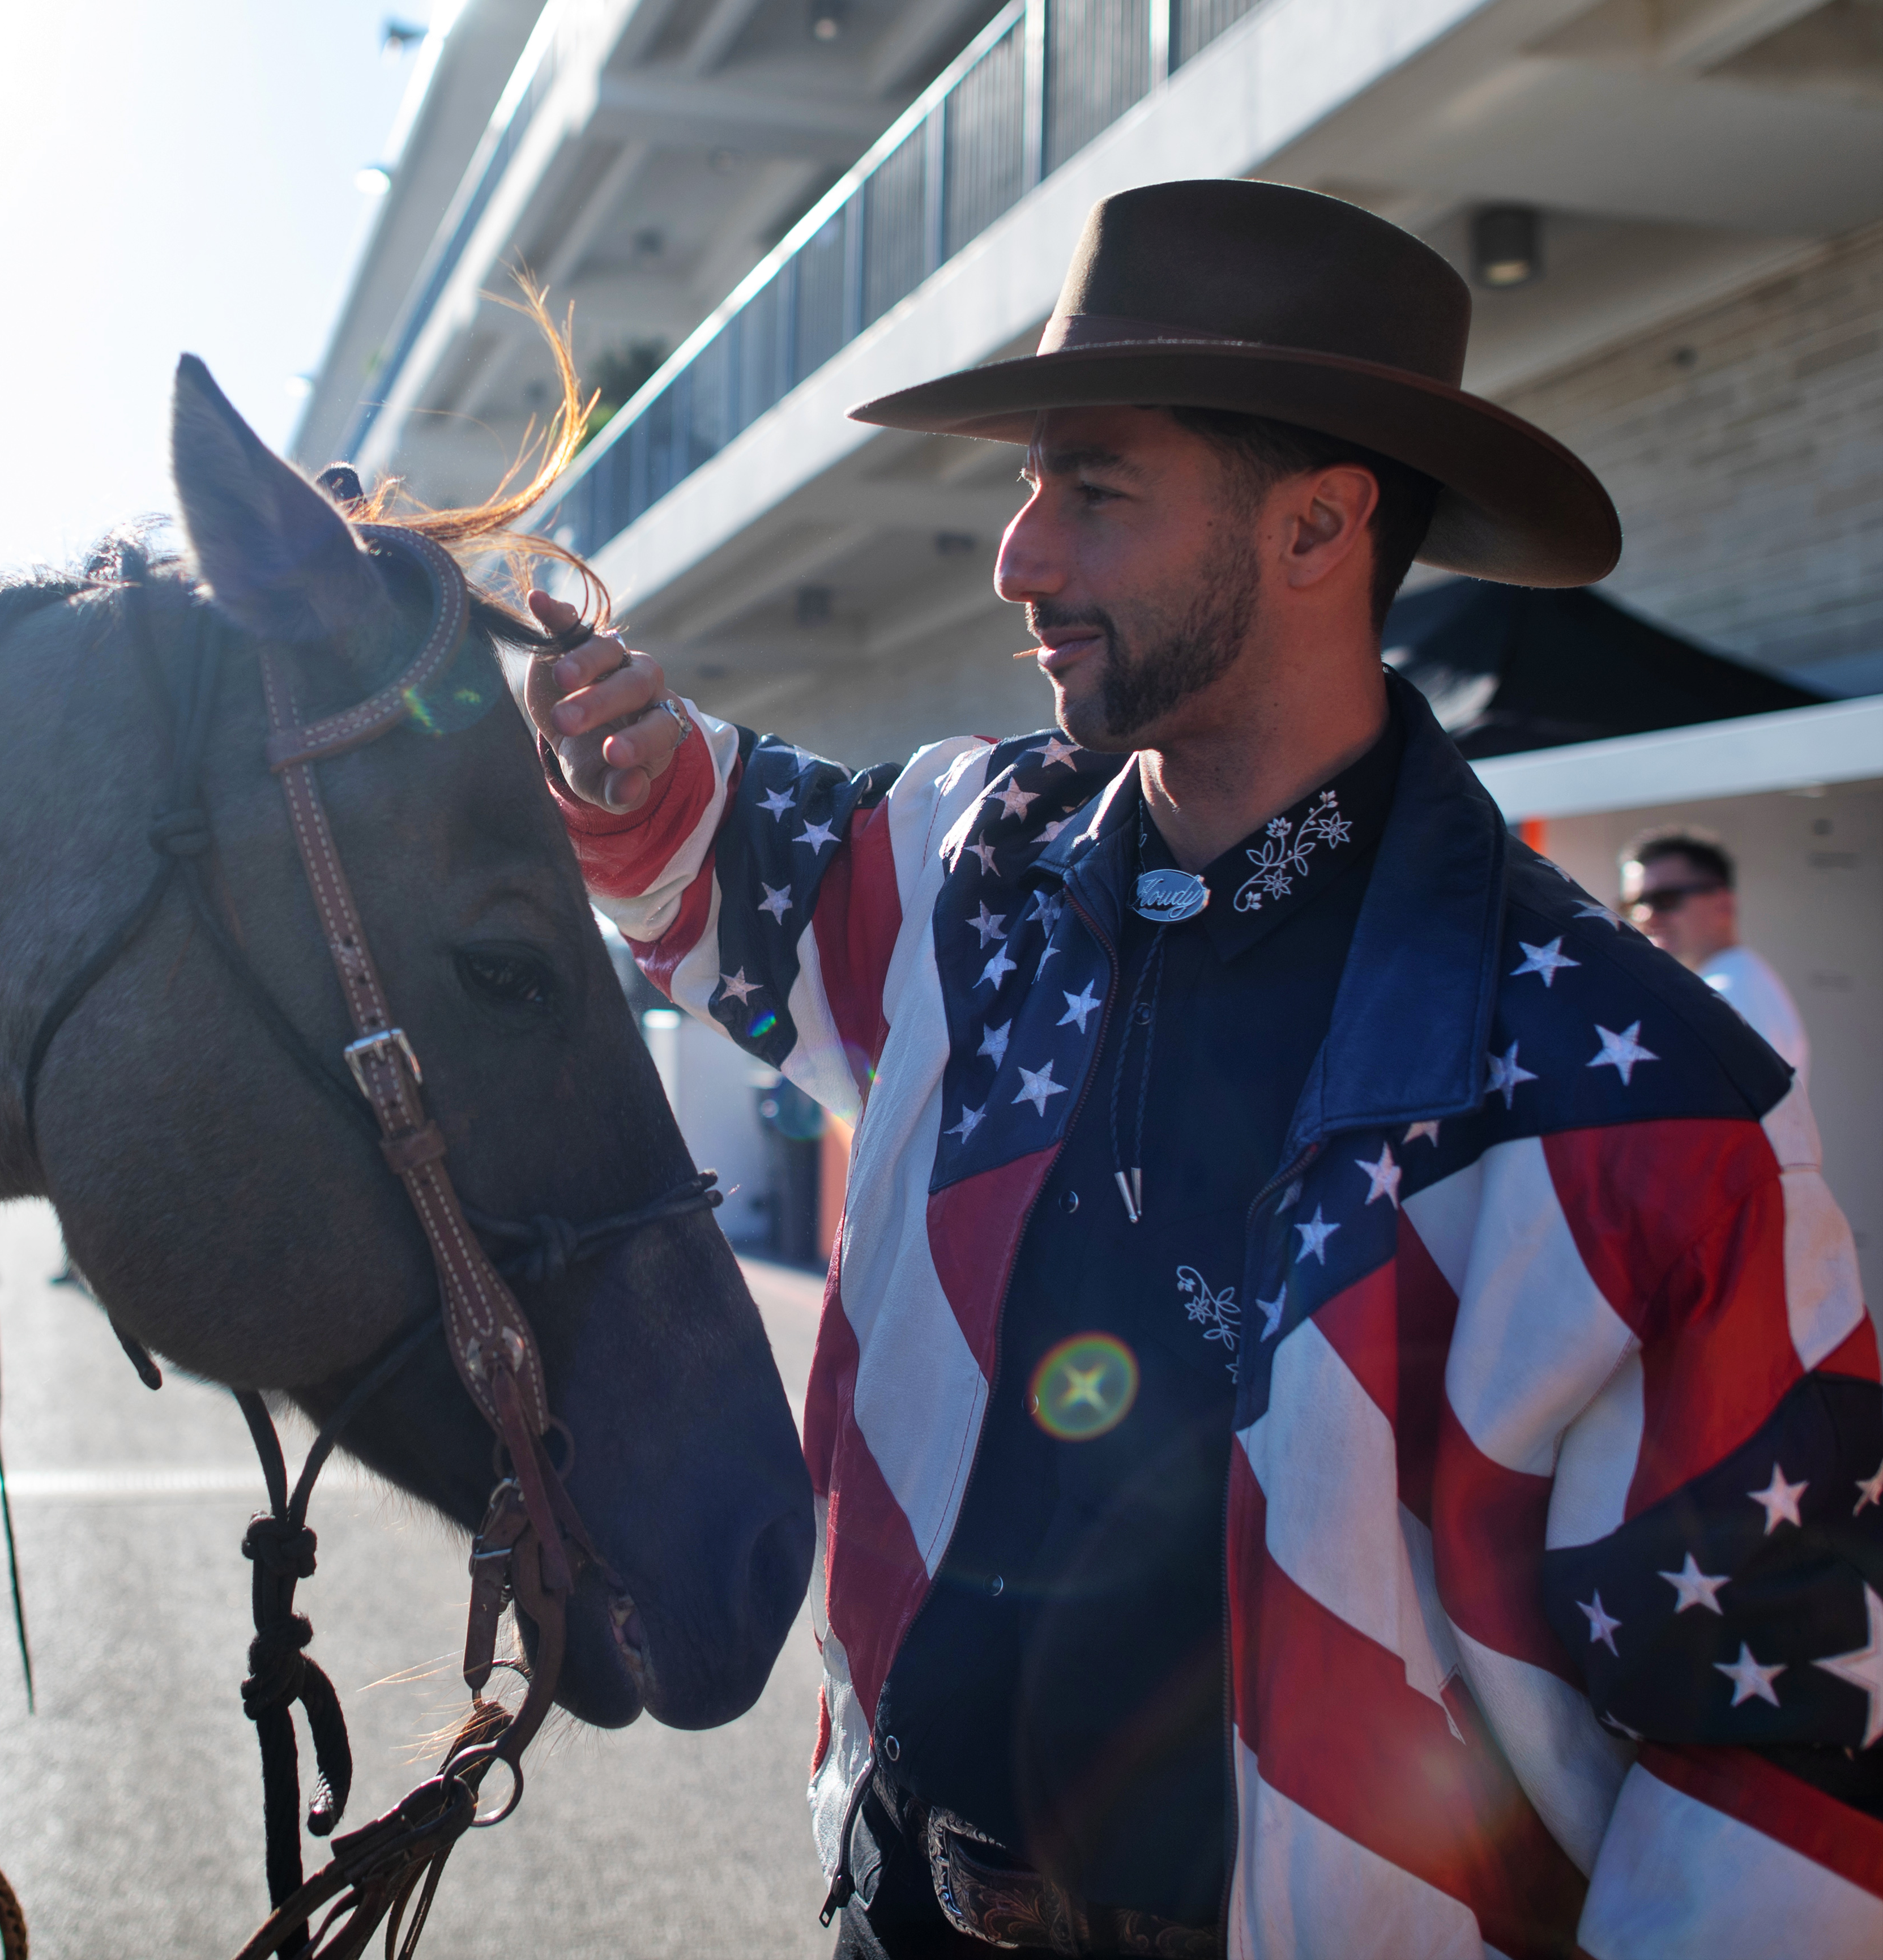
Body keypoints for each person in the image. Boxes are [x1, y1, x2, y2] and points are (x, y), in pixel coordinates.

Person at [519, 181, 1883, 1957]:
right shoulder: (978, 849)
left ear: (1321, 524)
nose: (1017, 554)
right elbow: (745, 870)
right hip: (890, 1908)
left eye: (1091, 488)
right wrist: (603, 749)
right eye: (1026, 482)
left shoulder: (1648, 1098)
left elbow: (1773, 1773)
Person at [1622, 830, 1810, 1081]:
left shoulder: (1727, 996)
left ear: (1723, 903)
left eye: (1665, 899)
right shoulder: (1740, 981)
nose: (1647, 916)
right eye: (1634, 905)